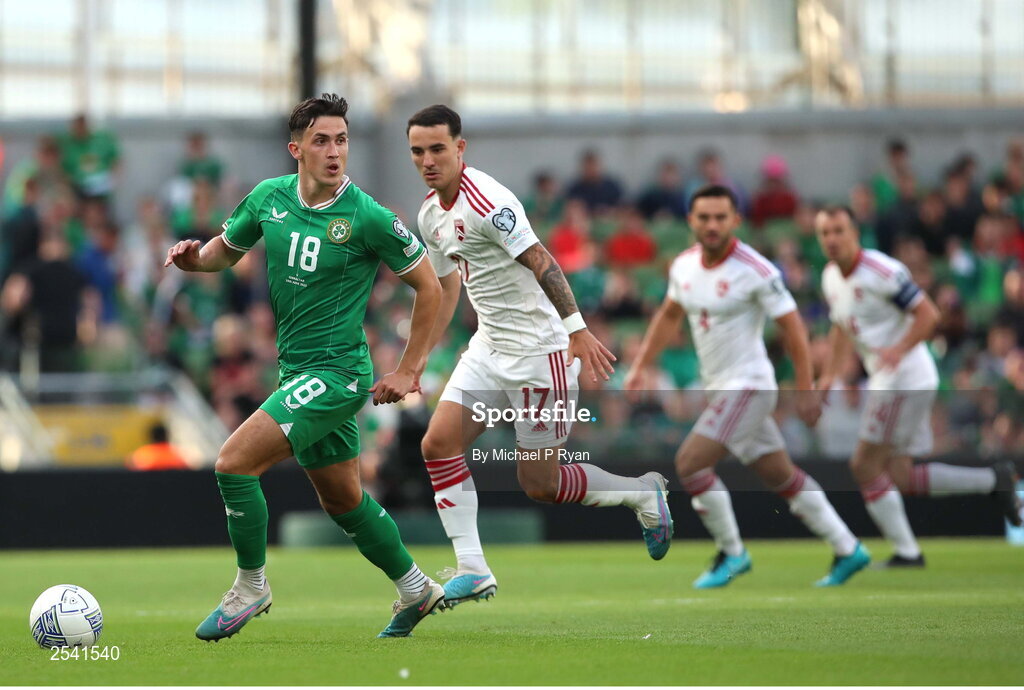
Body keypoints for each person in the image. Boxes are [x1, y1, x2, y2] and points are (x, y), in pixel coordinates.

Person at [164, 93, 445, 640]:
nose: (335, 151)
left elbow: (428, 285)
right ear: (296, 149)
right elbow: (224, 251)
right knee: (343, 501)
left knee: (232, 464)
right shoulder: (269, 198)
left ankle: (251, 586)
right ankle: (416, 587)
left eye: (342, 139)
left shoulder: (368, 216)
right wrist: (192, 259)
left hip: (338, 374)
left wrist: (410, 369)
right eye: (322, 140)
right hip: (296, 373)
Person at [407, 104, 673, 608]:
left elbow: (542, 260)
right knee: (437, 443)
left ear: (460, 148)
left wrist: (577, 330)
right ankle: (473, 568)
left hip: (540, 353)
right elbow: (444, 291)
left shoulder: (488, 201)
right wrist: (416, 360)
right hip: (489, 347)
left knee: (540, 484)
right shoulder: (429, 215)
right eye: (418, 151)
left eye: (438, 148)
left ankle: (642, 494)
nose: (427, 159)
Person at [624, 184, 870, 589]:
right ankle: (848, 547)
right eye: (704, 217)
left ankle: (733, 553)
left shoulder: (757, 270)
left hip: (749, 386)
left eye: (721, 217)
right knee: (781, 476)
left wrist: (805, 387)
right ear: (692, 221)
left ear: (735, 221)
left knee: (690, 463)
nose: (712, 225)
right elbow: (669, 316)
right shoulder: (684, 266)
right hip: (721, 389)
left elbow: (793, 328)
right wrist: (641, 366)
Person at [814, 206, 1022, 567]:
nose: (832, 239)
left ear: (854, 233)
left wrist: (898, 350)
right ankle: (995, 480)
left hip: (904, 378)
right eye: (825, 233)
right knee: (902, 475)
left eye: (839, 230)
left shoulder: (882, 271)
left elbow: (928, 314)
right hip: (893, 378)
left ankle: (907, 552)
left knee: (863, 464)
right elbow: (840, 328)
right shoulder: (831, 277)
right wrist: (830, 374)